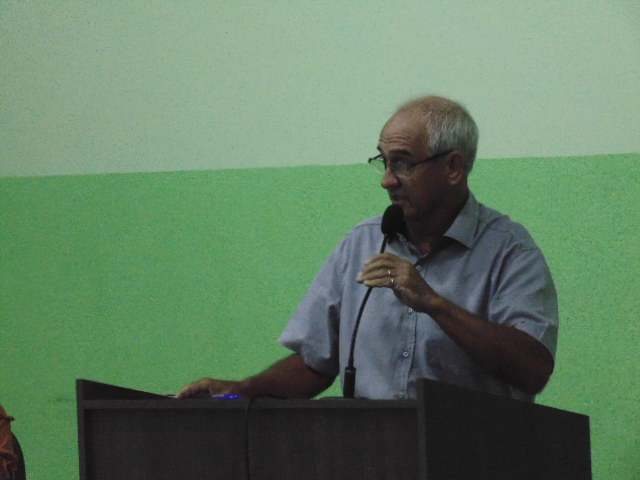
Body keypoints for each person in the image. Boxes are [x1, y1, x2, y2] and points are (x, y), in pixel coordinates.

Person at [178, 95, 558, 402]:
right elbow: (314, 364)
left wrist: (434, 304)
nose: (387, 181)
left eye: (403, 164)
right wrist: (243, 390)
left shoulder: (509, 251)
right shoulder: (362, 243)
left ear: (453, 167)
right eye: (384, 162)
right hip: (371, 452)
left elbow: (533, 370)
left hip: (468, 454)